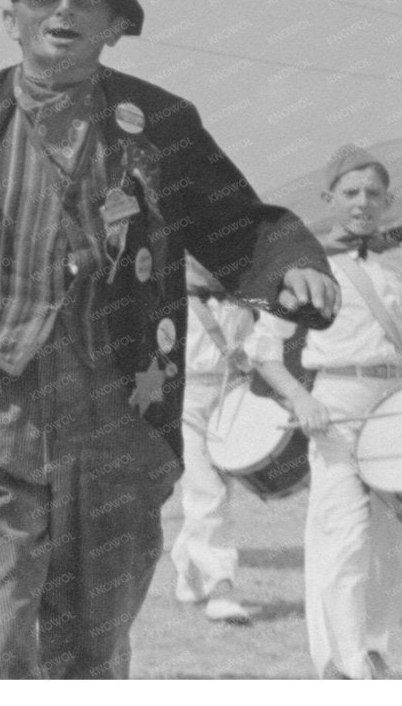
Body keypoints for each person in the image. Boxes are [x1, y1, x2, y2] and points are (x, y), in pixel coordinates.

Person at [0, 0, 337, 678]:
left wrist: (291, 265)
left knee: (92, 640)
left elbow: (235, 222)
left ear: (115, 27)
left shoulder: (159, 120)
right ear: (12, 20)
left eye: (87, 0)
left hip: (116, 406)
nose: (63, 9)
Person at [250, 145, 402, 680]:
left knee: (387, 537)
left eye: (373, 194)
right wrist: (302, 399)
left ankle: (374, 649)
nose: (362, 203)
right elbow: (264, 351)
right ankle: (343, 665)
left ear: (388, 201)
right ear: (328, 198)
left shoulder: (401, 260)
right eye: (351, 192)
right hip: (335, 401)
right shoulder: (300, 264)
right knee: (342, 532)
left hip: (393, 401)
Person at [169, 258, 258, 625]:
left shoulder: (244, 300)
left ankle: (189, 575)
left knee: (218, 490)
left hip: (230, 395)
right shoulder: (171, 298)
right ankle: (221, 585)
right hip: (184, 396)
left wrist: (246, 358)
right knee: (207, 491)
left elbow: (260, 350)